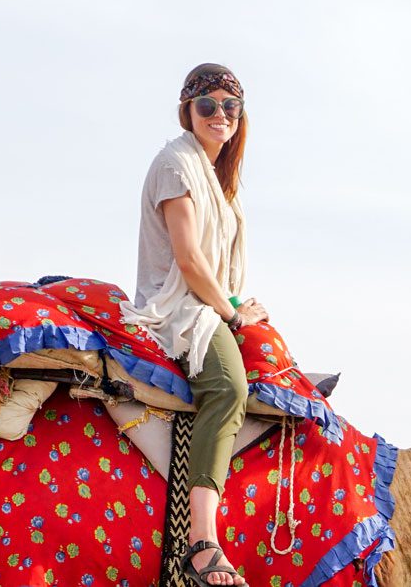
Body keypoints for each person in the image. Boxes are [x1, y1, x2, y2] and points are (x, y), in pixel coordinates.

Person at [120, 63, 268, 586]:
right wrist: (230, 313)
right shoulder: (176, 165)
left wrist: (238, 306)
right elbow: (188, 259)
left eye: (231, 106)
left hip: (210, 302)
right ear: (188, 110)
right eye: (207, 105)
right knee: (229, 387)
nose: (220, 115)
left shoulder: (219, 182)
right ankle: (202, 541)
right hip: (180, 312)